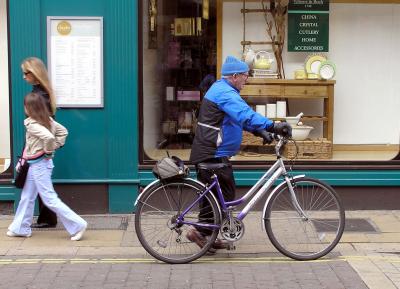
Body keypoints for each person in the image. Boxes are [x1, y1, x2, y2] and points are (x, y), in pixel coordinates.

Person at [187, 55, 291, 251]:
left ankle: (206, 234)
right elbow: (245, 114)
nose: (247, 79)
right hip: (211, 152)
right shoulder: (225, 93)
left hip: (213, 151)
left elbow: (236, 119)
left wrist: (259, 130)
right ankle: (201, 233)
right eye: (245, 75)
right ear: (234, 76)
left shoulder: (224, 90)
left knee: (219, 197)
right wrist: (273, 126)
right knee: (223, 196)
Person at [7, 92, 87, 241]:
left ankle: (78, 225)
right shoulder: (47, 120)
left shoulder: (32, 124)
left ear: (28, 108)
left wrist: (48, 151)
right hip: (36, 164)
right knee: (27, 196)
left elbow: (49, 137)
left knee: (49, 199)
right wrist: (53, 147)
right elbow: (63, 132)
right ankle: (20, 228)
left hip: (39, 165)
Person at [21, 57, 58, 228]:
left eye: (26, 73)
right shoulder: (43, 92)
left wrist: (44, 152)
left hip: (38, 148)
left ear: (35, 74)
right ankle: (42, 219)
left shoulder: (39, 96)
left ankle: (52, 219)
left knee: (41, 188)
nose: (23, 77)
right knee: (39, 186)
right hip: (40, 147)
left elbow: (43, 127)